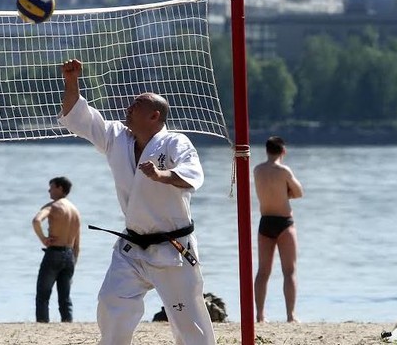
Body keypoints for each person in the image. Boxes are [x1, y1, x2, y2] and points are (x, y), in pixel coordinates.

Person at [59, 59, 215, 345]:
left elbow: (193, 176)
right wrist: (71, 83)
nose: (127, 109)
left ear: (154, 116)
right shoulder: (116, 136)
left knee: (189, 324)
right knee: (111, 302)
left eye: (135, 106)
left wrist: (162, 175)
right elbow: (79, 118)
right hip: (132, 247)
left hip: (173, 249)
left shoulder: (175, 143)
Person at [253, 136, 303, 323]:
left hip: (265, 221)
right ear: (283, 151)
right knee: (289, 271)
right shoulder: (284, 171)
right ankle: (291, 315)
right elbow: (299, 192)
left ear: (267, 150)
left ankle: (260, 315)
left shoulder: (257, 170)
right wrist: (286, 192)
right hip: (284, 222)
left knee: (263, 271)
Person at [32, 176, 81, 323]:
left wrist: (43, 239)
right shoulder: (75, 211)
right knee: (65, 297)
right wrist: (74, 260)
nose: (49, 190)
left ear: (60, 188)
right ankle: (67, 323)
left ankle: (42, 324)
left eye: (51, 187)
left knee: (43, 294)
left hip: (54, 253)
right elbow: (77, 243)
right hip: (69, 255)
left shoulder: (53, 207)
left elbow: (36, 221)